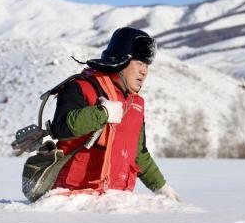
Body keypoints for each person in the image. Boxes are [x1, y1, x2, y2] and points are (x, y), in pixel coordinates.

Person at [50, 27, 181, 201]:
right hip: (71, 198)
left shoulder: (136, 104)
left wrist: (160, 186)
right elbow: (61, 127)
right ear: (122, 60)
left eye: (147, 65)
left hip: (117, 201)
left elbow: (138, 154)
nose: (144, 71)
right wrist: (102, 113)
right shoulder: (81, 87)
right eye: (140, 63)